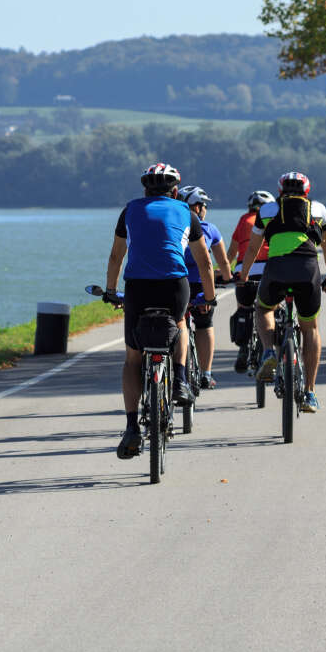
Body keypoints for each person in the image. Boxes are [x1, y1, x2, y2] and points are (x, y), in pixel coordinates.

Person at [104, 162, 217, 459]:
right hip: (174, 286)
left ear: (144, 189)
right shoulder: (186, 213)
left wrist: (110, 290)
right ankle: (179, 379)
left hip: (138, 287)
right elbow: (204, 262)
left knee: (132, 358)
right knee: (179, 321)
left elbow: (117, 254)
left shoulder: (129, 210)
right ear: (176, 191)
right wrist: (211, 294)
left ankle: (131, 426)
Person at [233, 171, 326, 413]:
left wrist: (244, 275)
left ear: (280, 191)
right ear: (307, 192)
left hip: (277, 270)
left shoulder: (268, 211)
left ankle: (269, 350)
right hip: (307, 269)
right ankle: (310, 392)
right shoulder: (319, 210)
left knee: (263, 308)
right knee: (310, 328)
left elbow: (252, 248)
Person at [177, 186, 232, 389]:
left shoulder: (173, 226)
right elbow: (223, 262)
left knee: (177, 324)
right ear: (197, 207)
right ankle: (206, 373)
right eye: (204, 205)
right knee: (204, 323)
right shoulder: (210, 229)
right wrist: (226, 278)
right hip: (200, 285)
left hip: (177, 283)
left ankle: (177, 371)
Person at [227, 189, 275, 373]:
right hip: (269, 269)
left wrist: (224, 272)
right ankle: (275, 346)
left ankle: (243, 349)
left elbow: (232, 252)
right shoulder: (272, 219)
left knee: (244, 307)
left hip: (244, 271)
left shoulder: (243, 220)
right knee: (270, 308)